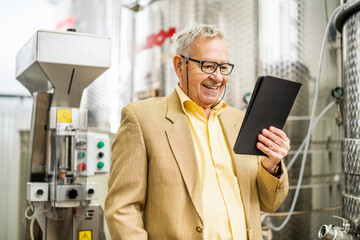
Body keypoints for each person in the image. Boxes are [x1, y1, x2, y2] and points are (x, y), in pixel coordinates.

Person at [105, 24, 289, 240]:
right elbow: (122, 209)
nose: (218, 78)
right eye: (208, 66)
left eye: (223, 68)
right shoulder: (141, 118)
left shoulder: (239, 121)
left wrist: (271, 165)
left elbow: (269, 203)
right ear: (179, 65)